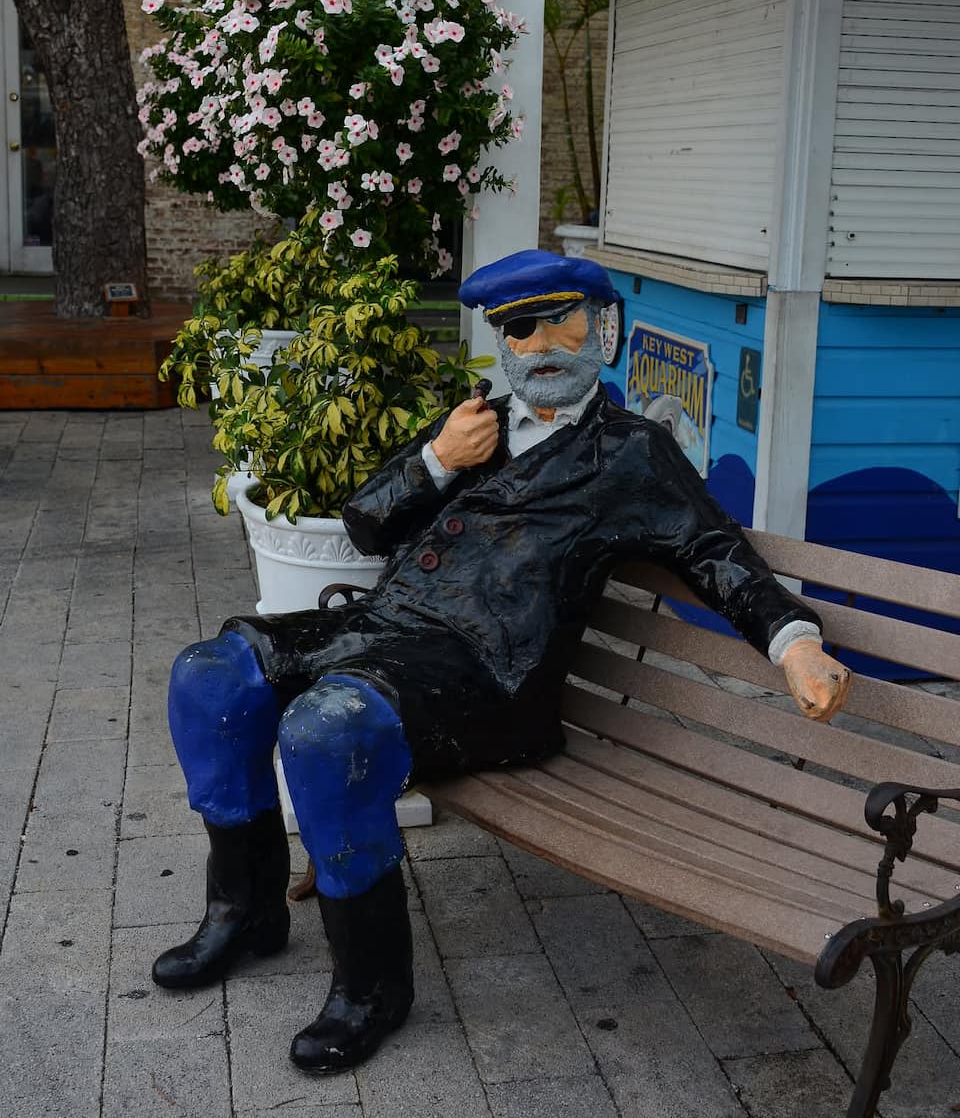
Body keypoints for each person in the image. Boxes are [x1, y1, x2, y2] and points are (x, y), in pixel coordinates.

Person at [152, 249, 850, 1074]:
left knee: (328, 729)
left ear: (606, 328)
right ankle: (246, 910)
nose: (540, 343)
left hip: (494, 676)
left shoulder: (631, 454)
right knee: (210, 678)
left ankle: (372, 986)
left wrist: (794, 642)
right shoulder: (475, 420)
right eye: (518, 328)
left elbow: (715, 552)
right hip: (387, 632)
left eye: (562, 319)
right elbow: (369, 524)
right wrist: (439, 459)